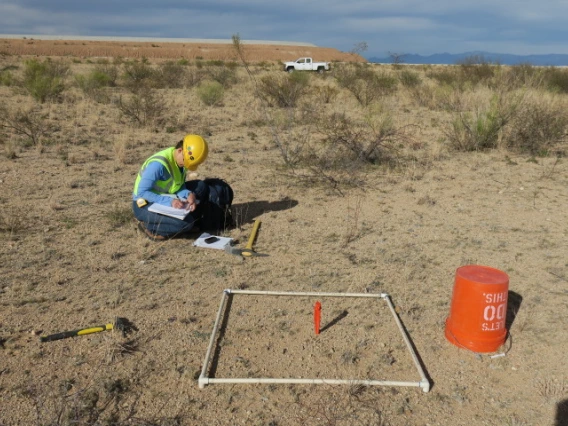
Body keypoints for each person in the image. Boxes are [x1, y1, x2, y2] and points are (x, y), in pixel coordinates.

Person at [132, 134, 210, 240]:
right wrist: (170, 202)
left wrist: (188, 194)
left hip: (167, 196)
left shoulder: (180, 162)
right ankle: (148, 226)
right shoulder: (157, 165)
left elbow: (178, 186)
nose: (186, 165)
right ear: (179, 150)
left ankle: (179, 223)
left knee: (201, 186)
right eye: (186, 161)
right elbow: (142, 192)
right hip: (144, 203)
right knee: (186, 224)